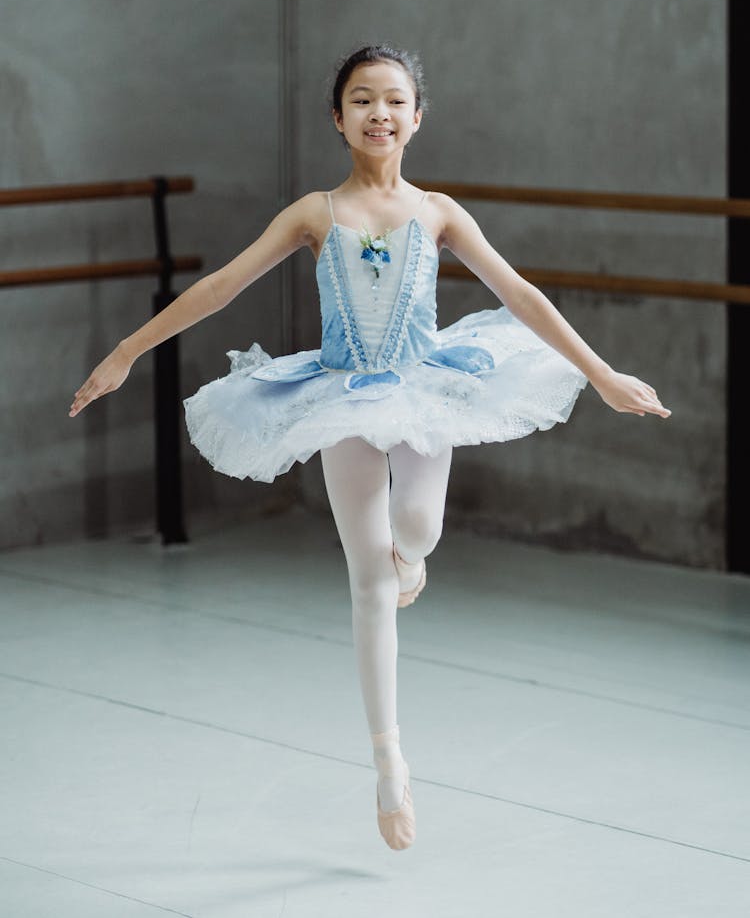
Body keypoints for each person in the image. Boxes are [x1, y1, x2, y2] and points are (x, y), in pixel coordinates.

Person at [70, 43, 671, 852]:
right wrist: (126, 351)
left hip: (425, 391)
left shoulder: (440, 212)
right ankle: (389, 760)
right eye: (361, 99)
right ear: (338, 117)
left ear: (417, 116)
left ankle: (414, 557)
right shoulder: (314, 214)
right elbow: (221, 286)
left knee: (415, 531)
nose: (378, 112)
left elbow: (518, 292)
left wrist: (598, 372)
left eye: (393, 99)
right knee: (366, 582)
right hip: (340, 399)